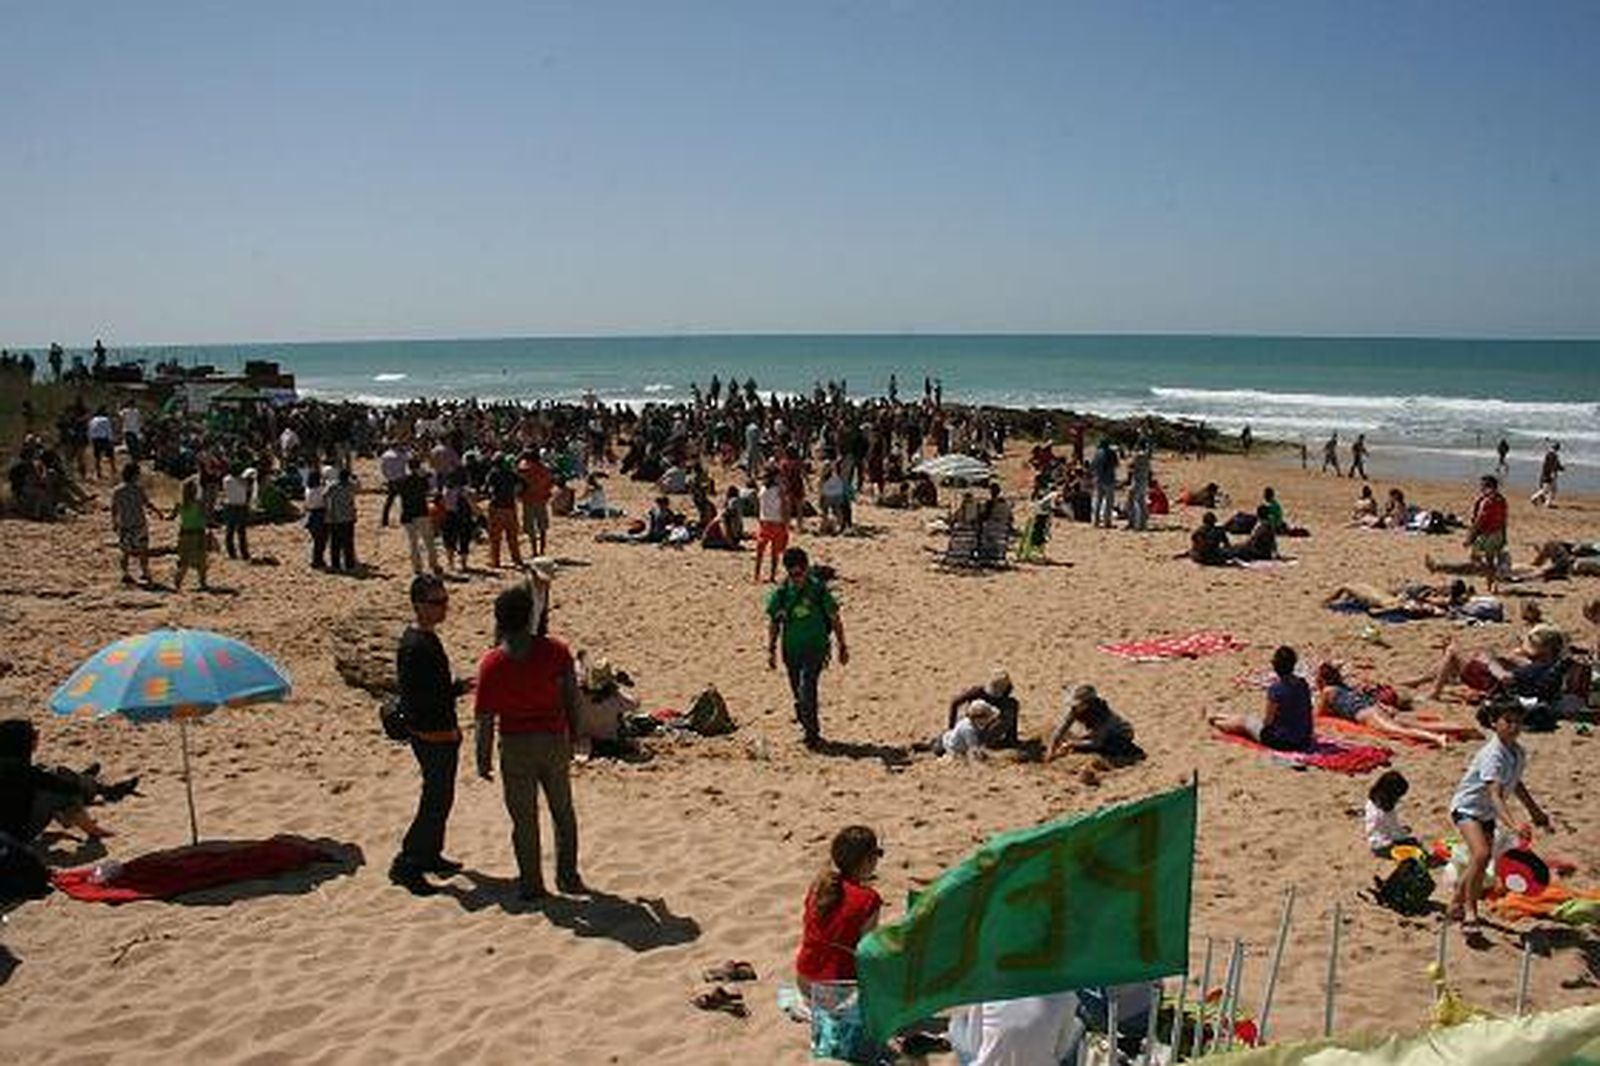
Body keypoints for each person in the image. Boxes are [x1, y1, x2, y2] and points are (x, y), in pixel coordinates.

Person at [474, 581, 583, 901]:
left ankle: (532, 884)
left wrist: (482, 758)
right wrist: (576, 734)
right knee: (562, 811)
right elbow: (572, 699)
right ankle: (568, 876)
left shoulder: (492, 663)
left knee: (524, 819)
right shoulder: (556, 651)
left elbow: (484, 718)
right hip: (553, 739)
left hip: (515, 744)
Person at [391, 574, 472, 896]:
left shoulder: (426, 638)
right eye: (437, 602)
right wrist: (452, 695)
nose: (443, 607)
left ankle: (429, 854)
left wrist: (456, 689)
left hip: (439, 730)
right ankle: (408, 862)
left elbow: (432, 689)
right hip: (431, 733)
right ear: (418, 605)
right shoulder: (415, 645)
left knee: (441, 798)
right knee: (434, 801)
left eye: (445, 600)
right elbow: (418, 698)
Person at [1448, 701, 1550, 927]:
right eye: (1508, 721)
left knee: (1479, 860)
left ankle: (1456, 902)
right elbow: (1495, 794)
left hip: (1486, 812)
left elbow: (1516, 784)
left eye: (1518, 722)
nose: (1514, 727)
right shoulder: (1493, 754)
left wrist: (1535, 811)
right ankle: (1470, 911)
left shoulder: (1517, 752)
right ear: (1494, 723)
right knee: (1482, 854)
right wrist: (1513, 825)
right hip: (1467, 808)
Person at [766, 547, 848, 749]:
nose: (797, 578)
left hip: (816, 648)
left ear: (807, 569)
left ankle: (812, 734)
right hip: (791, 651)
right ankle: (806, 726)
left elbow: (835, 618)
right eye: (792, 574)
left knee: (807, 689)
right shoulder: (782, 593)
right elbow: (774, 621)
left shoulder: (818, 590)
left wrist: (842, 645)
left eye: (800, 573)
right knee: (798, 693)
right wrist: (771, 650)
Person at [0, 719, 132, 844]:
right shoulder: (22, 770)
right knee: (62, 792)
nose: (37, 737)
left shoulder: (11, 765)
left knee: (51, 773)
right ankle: (94, 828)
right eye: (34, 735)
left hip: (9, 829)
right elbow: (68, 788)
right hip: (15, 836)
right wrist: (79, 785)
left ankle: (92, 784)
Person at [795, 825, 882, 996]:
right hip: (837, 987)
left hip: (804, 980)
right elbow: (867, 952)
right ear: (868, 860)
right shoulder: (869, 899)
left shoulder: (819, 887)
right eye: (877, 854)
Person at [1313, 662, 1453, 748]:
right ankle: (1454, 728)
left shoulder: (1327, 691)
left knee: (1398, 731)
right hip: (1376, 708)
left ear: (1322, 680)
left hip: (1367, 714)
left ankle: (1436, 737)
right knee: (1415, 724)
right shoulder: (1345, 688)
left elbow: (1319, 715)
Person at [1208, 646, 1314, 752]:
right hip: (1303, 739)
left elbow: (1268, 722)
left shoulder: (1276, 689)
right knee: (1247, 719)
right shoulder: (1302, 684)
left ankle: (1216, 723)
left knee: (1244, 723)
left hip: (1281, 742)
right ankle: (1216, 716)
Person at [1046, 684, 1142, 761]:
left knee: (1105, 748)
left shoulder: (1103, 716)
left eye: (1078, 704)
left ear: (1088, 704)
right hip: (1097, 734)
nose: (1073, 707)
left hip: (1118, 735)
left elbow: (1096, 742)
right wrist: (1051, 751)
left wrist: (1071, 744)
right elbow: (1060, 730)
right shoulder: (1074, 710)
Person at [110, 462, 160, 585]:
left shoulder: (117, 491)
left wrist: (114, 522)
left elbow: (114, 508)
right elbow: (147, 504)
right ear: (134, 475)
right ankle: (145, 572)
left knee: (125, 552)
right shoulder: (138, 489)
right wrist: (158, 512)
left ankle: (125, 573)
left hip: (125, 525)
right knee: (143, 550)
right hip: (139, 524)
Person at [946, 669, 1020, 749]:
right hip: (970, 729)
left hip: (982, 731)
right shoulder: (977, 692)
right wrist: (951, 728)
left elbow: (955, 703)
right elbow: (955, 702)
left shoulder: (1008, 703)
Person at [397, 457, 441, 576]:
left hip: (407, 514)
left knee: (413, 543)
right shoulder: (422, 480)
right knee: (429, 541)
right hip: (421, 512)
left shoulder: (402, 481)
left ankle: (417, 567)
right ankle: (433, 564)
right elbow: (430, 489)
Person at [1364, 770, 1420, 857]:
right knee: (1413, 845)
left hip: (1375, 841)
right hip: (1384, 845)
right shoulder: (1385, 811)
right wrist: (1405, 837)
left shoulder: (1372, 801)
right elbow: (1395, 831)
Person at [484, 456, 525, 569]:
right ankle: (517, 559)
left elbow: (487, 489)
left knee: (495, 537)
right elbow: (523, 484)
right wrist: (515, 493)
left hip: (496, 506)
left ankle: (495, 561)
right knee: (512, 536)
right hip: (510, 506)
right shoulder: (511, 473)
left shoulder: (493, 473)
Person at [171, 477, 210, 591]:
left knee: (185, 561)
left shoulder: (180, 504)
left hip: (185, 534)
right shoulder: (199, 503)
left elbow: (172, 517)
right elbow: (205, 517)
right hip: (198, 533)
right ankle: (202, 583)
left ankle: (178, 581)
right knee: (201, 560)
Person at [517, 448, 554, 557]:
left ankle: (534, 551)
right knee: (542, 527)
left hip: (528, 500)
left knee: (530, 527)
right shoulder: (545, 469)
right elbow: (550, 484)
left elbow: (520, 485)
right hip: (541, 500)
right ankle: (542, 550)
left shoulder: (524, 470)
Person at [754, 467, 788, 582]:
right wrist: (785, 522)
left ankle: (757, 575)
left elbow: (761, 506)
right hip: (776, 522)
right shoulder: (779, 489)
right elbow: (783, 506)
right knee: (775, 552)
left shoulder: (762, 489)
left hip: (764, 522)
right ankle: (771, 576)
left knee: (760, 551)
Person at [324, 466, 359, 572]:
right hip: (348, 517)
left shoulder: (333, 486)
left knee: (335, 543)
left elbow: (324, 495)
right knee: (348, 543)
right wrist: (354, 478)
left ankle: (336, 564)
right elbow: (359, 486)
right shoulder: (351, 486)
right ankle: (349, 564)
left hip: (334, 517)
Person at [221, 463, 254, 561]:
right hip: (241, 506)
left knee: (229, 531)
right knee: (241, 532)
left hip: (230, 505)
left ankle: (231, 553)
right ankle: (244, 553)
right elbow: (249, 490)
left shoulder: (226, 480)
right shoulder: (243, 481)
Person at [303, 465, 329, 568]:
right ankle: (318, 560)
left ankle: (315, 559)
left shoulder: (308, 490)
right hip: (320, 515)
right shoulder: (321, 490)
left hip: (310, 515)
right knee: (321, 541)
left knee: (315, 540)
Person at [379, 442, 410, 527]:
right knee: (404, 500)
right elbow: (408, 462)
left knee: (389, 501)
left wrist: (388, 477)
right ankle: (404, 519)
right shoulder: (402, 454)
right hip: (401, 480)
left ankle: (384, 520)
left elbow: (383, 469)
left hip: (392, 480)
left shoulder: (385, 455)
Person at [1090, 438, 1118, 529]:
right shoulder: (1112, 453)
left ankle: (1096, 521)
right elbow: (1116, 464)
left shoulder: (1097, 453)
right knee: (1109, 502)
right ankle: (1107, 521)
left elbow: (1093, 466)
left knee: (1098, 501)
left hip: (1099, 479)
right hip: (1109, 480)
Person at [1530, 443, 1563, 507]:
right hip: (1550, 475)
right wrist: (1554, 472)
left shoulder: (1549, 455)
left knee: (1549, 489)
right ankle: (1535, 498)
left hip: (1546, 474)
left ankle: (1546, 502)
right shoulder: (1554, 456)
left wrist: (1560, 468)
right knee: (1549, 490)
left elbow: (1553, 465)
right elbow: (1553, 466)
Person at [87, 406, 115, 479]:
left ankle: (98, 472)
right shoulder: (106, 420)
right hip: (104, 439)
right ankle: (113, 470)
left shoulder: (92, 420)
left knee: (97, 457)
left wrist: (90, 440)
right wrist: (111, 439)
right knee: (110, 455)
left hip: (95, 439)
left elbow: (90, 430)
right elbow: (108, 430)